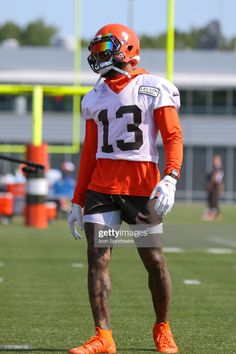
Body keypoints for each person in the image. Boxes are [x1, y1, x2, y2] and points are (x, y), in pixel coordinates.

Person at [68, 23, 183, 354]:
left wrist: (171, 176)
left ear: (128, 49)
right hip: (102, 189)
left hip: (141, 188)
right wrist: (78, 200)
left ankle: (162, 327)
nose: (97, 54)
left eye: (104, 47)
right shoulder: (95, 96)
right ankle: (103, 336)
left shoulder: (153, 87)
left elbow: (173, 136)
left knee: (154, 259)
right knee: (97, 258)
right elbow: (89, 151)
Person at [202, 155, 224, 221]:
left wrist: (210, 185)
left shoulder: (218, 168)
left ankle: (214, 215)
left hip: (215, 188)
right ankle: (216, 215)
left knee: (213, 202)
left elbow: (216, 178)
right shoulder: (217, 168)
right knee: (213, 202)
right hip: (214, 187)